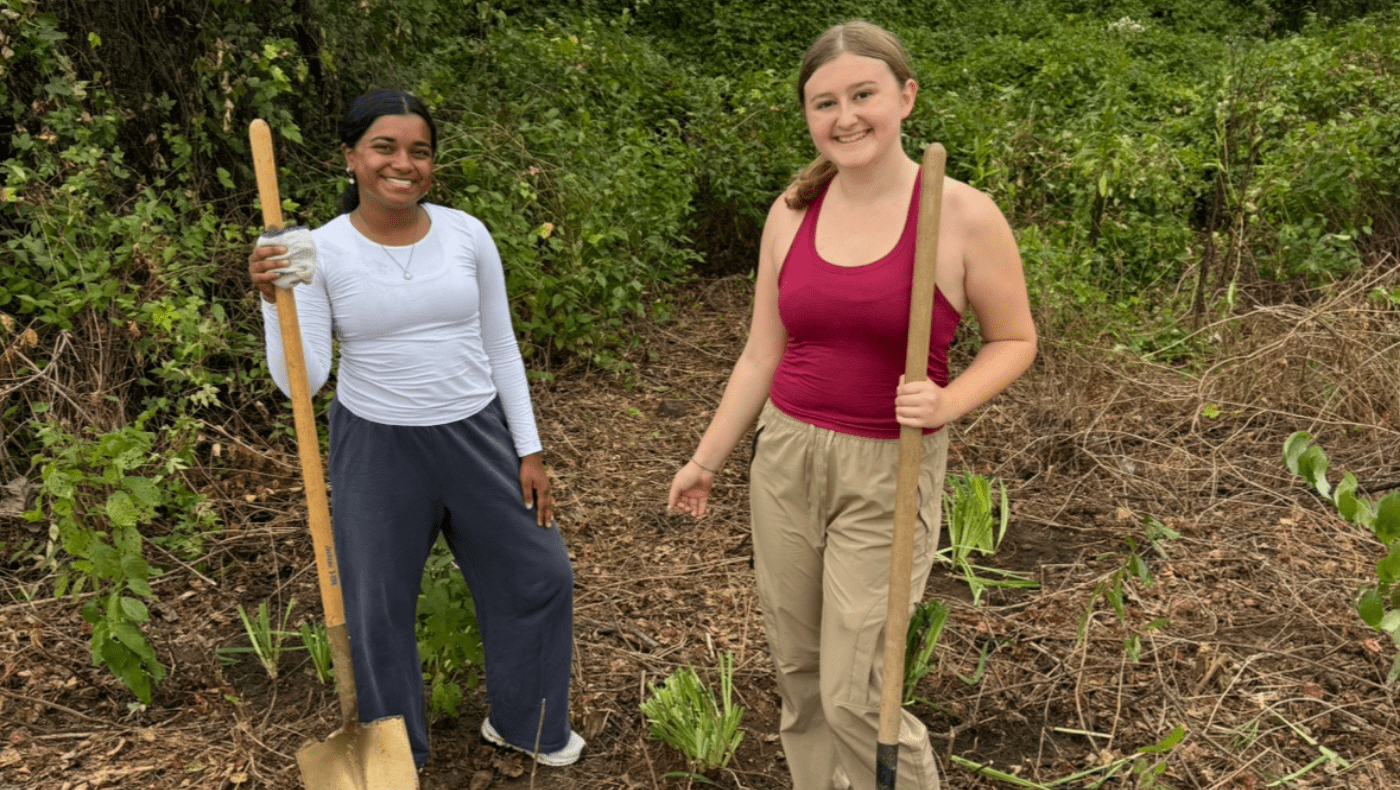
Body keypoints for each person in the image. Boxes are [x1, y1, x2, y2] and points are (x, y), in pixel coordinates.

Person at [667, 21, 1037, 790]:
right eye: (823, 102)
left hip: (888, 468)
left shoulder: (962, 214)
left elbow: (1015, 339)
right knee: (800, 672)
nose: (845, 116)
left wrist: (946, 400)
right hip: (786, 459)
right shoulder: (791, 213)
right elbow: (760, 354)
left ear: (904, 96)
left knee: (857, 689)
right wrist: (705, 461)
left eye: (863, 94)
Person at [248, 87, 584, 768]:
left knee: (539, 574)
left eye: (419, 150)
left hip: (478, 436)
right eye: (384, 147)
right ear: (351, 157)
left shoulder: (467, 232)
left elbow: (502, 347)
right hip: (377, 447)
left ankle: (527, 723)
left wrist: (529, 447)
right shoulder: (313, 250)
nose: (403, 163)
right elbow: (304, 381)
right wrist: (271, 300)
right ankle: (394, 755)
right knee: (377, 609)